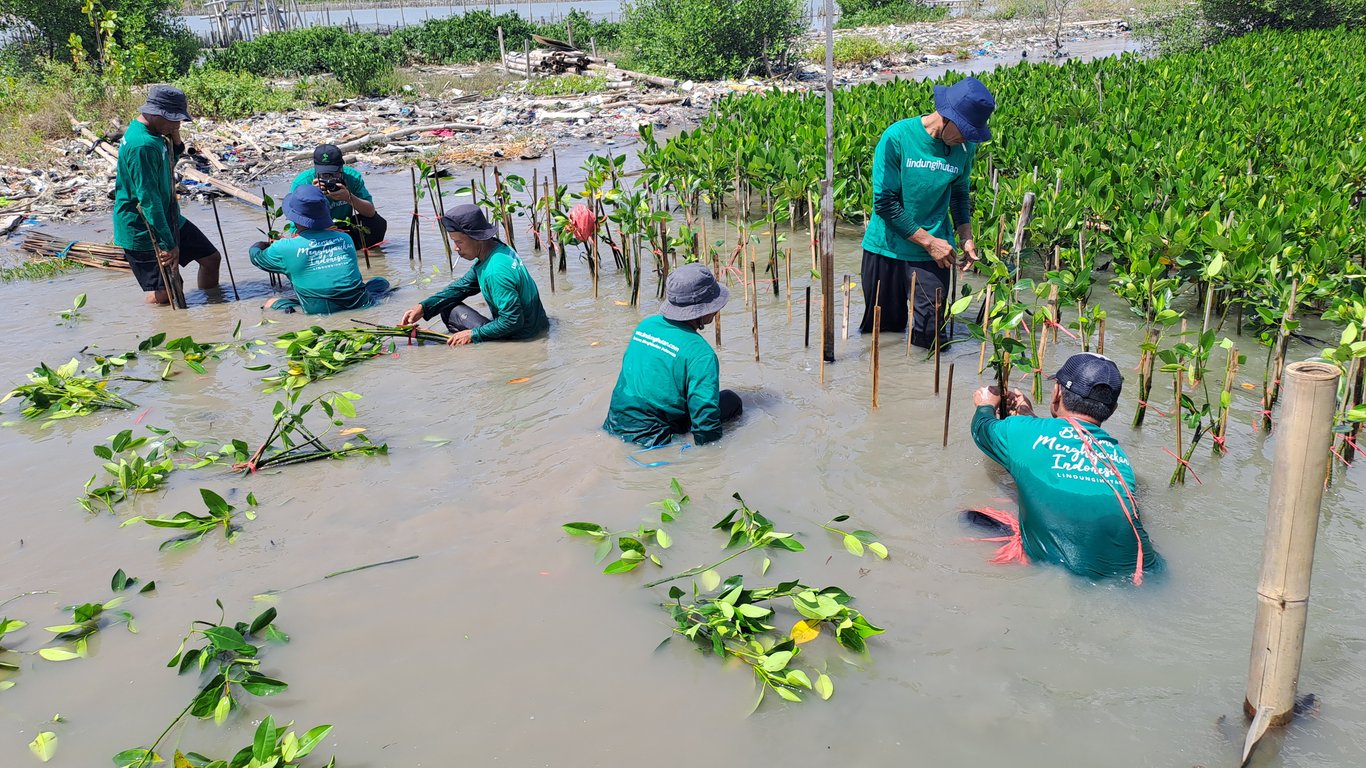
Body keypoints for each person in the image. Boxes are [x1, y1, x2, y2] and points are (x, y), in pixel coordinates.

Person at [969, 353, 1163, 583]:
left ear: (1057, 393)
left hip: (1071, 575)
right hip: (1148, 573)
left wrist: (985, 405)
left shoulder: (1022, 431)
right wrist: (1028, 416)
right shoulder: (1116, 454)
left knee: (969, 518)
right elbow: (1068, 445)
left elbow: (981, 428)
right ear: (1112, 409)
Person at [859, 76, 996, 348]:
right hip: (885, 249)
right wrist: (929, 242)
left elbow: (958, 193)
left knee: (931, 338)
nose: (967, 139)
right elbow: (885, 203)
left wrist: (965, 236)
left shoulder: (964, 148)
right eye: (965, 131)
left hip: (932, 255)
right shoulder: (897, 137)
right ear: (947, 117)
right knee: (884, 334)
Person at [603, 263, 742, 447]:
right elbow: (705, 423)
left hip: (614, 424)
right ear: (702, 309)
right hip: (652, 439)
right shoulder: (702, 354)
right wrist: (712, 458)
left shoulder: (645, 326)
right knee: (732, 401)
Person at [112, 85, 221, 305]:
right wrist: (168, 244)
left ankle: (214, 307)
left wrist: (176, 136)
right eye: (173, 120)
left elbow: (168, 158)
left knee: (211, 258)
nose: (177, 124)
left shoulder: (154, 134)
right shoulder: (143, 145)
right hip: (144, 227)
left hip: (169, 216)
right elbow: (149, 201)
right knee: (167, 292)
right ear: (155, 114)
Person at [398, 204, 548, 345]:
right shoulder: (498, 250)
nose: (455, 248)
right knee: (445, 303)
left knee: (450, 312)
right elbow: (460, 288)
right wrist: (423, 307)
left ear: (477, 238)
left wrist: (473, 334)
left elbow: (512, 321)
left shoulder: (495, 272)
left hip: (520, 336)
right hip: (538, 325)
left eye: (459, 242)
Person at [248, 186, 390, 315]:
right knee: (380, 282)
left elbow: (255, 256)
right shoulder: (345, 238)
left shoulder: (284, 247)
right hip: (359, 301)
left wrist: (264, 244)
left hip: (320, 309)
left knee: (271, 302)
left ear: (293, 217)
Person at [289, 144, 387, 250]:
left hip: (343, 227)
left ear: (342, 168)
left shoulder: (352, 177)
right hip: (314, 230)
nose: (330, 180)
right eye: (325, 176)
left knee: (377, 223)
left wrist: (349, 198)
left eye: (335, 175)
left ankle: (359, 251)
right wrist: (314, 197)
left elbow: (370, 212)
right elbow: (298, 223)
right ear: (316, 170)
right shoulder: (302, 183)